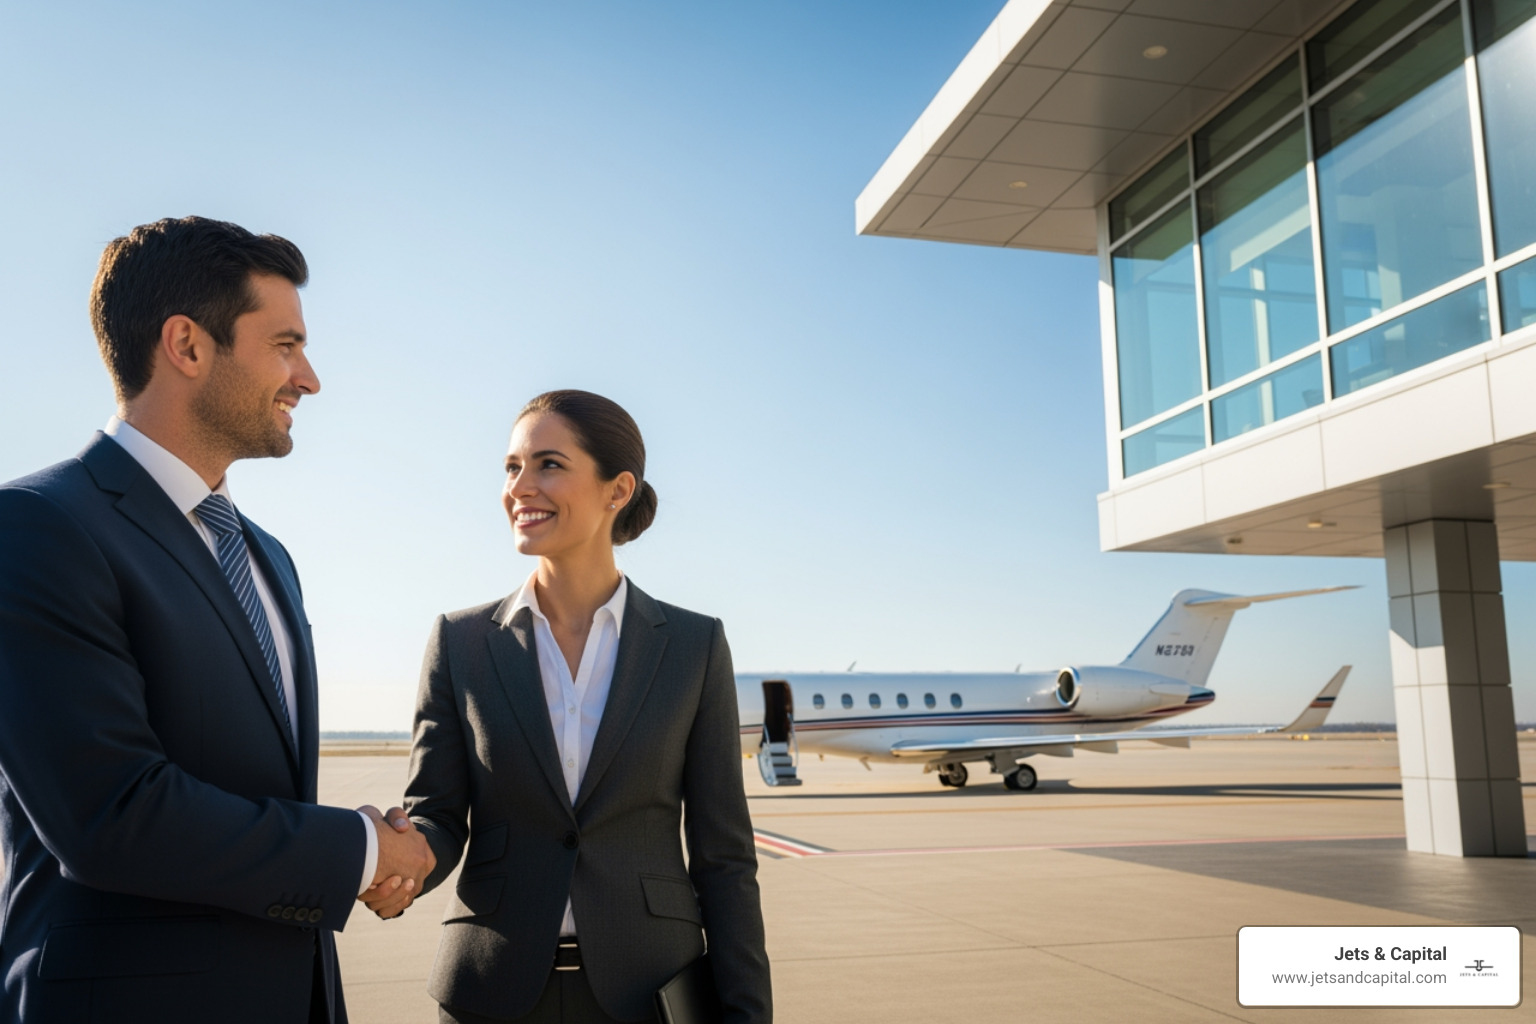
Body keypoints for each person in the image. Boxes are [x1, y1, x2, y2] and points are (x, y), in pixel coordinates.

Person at [0, 216, 435, 1023]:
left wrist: (358, 848)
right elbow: (111, 815)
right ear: (188, 347)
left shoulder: (268, 557)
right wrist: (362, 850)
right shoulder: (35, 526)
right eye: (285, 344)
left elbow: (254, 788)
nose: (309, 378)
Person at [370, 390, 770, 1023]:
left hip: (650, 991)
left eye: (548, 464)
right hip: (491, 988)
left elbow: (724, 856)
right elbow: (439, 816)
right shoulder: (461, 641)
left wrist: (747, 1012)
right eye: (511, 467)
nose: (520, 487)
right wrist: (401, 864)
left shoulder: (694, 646)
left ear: (617, 490)